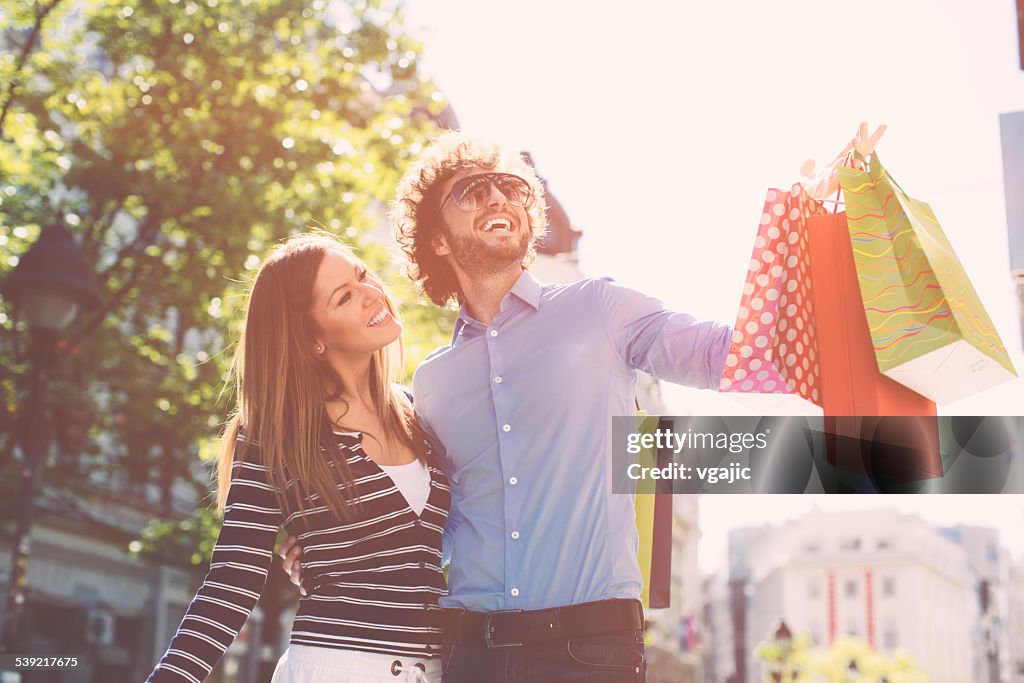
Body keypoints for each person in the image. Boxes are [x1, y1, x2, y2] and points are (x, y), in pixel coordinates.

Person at [281, 133, 731, 683]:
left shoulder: (600, 309)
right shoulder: (433, 382)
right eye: (471, 192)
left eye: (511, 188)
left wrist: (838, 306)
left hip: (592, 653)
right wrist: (340, 546)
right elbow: (437, 522)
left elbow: (718, 353)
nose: (498, 198)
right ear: (438, 241)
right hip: (471, 654)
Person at [146, 233, 450, 683]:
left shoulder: (422, 413)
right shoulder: (277, 435)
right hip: (341, 668)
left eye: (362, 276)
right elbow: (232, 579)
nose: (371, 294)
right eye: (345, 297)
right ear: (313, 341)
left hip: (441, 669)